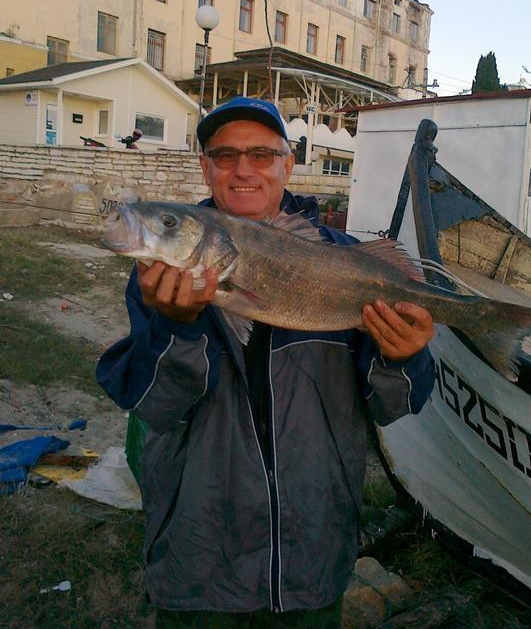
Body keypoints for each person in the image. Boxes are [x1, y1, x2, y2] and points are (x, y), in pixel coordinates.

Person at [97, 97, 436, 628]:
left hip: (312, 550)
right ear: (205, 167)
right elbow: (156, 408)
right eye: (225, 155)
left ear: (287, 164)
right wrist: (176, 328)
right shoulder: (158, 279)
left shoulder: (347, 259)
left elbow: (394, 406)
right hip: (199, 553)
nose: (243, 169)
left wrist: (402, 358)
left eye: (261, 153)